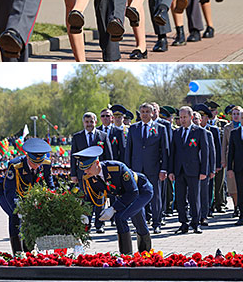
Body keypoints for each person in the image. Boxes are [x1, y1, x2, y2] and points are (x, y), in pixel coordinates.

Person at [74, 145, 154, 255]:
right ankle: (127, 255)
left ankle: (140, 254)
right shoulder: (90, 178)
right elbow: (91, 199)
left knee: (121, 217)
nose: (85, 172)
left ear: (97, 163)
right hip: (125, 195)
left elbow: (133, 192)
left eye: (88, 168)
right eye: (83, 169)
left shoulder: (117, 168)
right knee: (137, 221)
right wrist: (86, 215)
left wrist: (113, 208)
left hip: (141, 191)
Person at [0, 136, 55, 254]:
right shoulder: (15, 166)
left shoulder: (46, 164)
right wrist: (17, 208)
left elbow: (50, 184)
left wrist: (52, 198)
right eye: (34, 163)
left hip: (29, 193)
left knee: (31, 218)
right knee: (15, 217)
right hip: (7, 192)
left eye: (40, 163)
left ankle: (29, 250)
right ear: (27, 157)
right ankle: (17, 252)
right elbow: (9, 191)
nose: (37, 166)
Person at [125, 102, 169, 230]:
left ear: (153, 113)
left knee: (155, 196)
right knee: (138, 197)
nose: (144, 115)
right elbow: (129, 150)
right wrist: (127, 169)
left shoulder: (160, 128)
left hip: (154, 168)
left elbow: (164, 151)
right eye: (142, 112)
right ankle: (141, 225)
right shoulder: (133, 128)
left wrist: (164, 169)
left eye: (147, 112)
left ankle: (157, 223)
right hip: (136, 169)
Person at [169, 106, 208, 233]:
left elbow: (205, 153)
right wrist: (171, 171)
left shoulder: (199, 132)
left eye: (185, 117)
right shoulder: (176, 133)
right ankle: (183, 223)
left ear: (191, 117)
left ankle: (196, 223)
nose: (183, 120)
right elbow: (172, 153)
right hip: (179, 171)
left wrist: (204, 171)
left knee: (194, 198)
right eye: (181, 117)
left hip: (194, 170)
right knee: (180, 198)